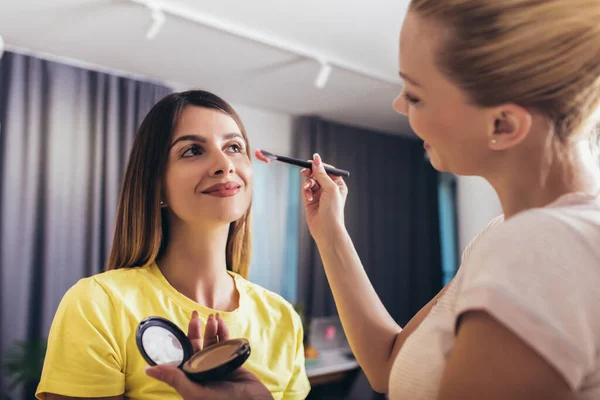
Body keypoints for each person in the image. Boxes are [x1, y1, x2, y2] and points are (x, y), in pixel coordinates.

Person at [159, 0, 600, 399]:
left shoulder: (540, 247)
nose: (398, 105)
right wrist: (330, 232)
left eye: (415, 94)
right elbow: (388, 366)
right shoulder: (504, 235)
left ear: (503, 125)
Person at [35, 90, 310, 400]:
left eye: (234, 147)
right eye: (192, 150)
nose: (224, 164)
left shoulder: (281, 318)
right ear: (157, 185)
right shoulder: (99, 304)